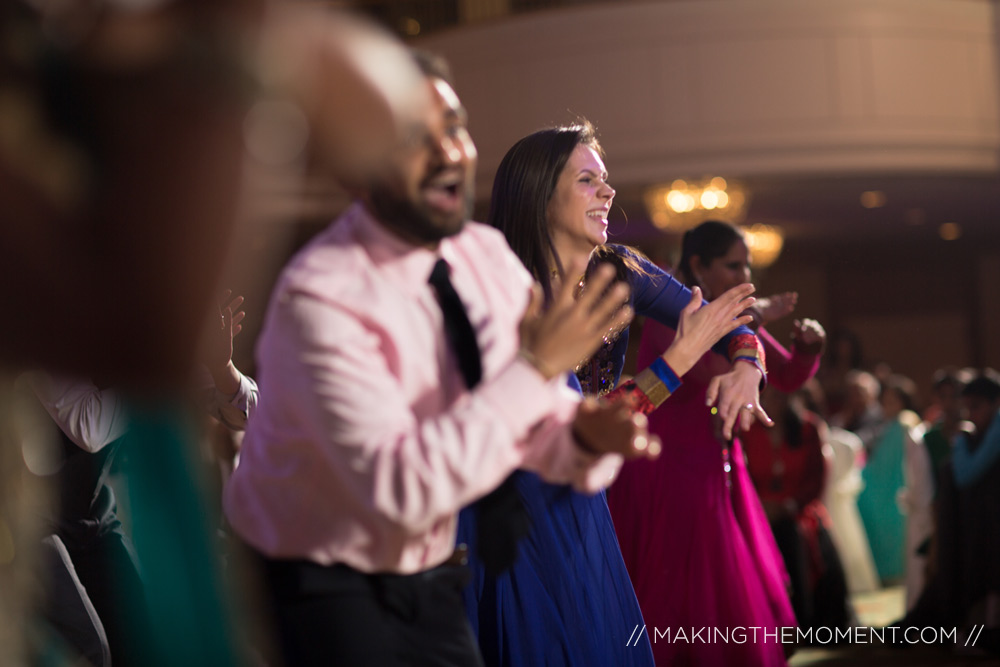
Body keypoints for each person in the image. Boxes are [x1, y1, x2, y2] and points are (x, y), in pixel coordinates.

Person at [222, 52, 659, 667]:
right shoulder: (321, 298)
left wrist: (582, 438)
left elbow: (531, 427)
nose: (448, 151)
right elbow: (400, 486)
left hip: (436, 580)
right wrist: (535, 370)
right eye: (411, 137)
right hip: (333, 594)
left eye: (453, 127)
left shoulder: (484, 257)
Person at [459, 123, 764, 666]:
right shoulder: (501, 294)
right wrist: (677, 363)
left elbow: (733, 320)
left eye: (606, 180)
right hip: (521, 501)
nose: (609, 192)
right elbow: (573, 424)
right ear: (538, 194)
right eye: (587, 180)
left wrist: (747, 366)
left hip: (586, 495)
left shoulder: (619, 268)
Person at [611, 220, 823, 666]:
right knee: (685, 587)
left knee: (725, 588)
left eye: (747, 264)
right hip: (670, 469)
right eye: (733, 265)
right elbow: (698, 367)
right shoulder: (677, 312)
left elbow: (782, 376)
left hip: (717, 465)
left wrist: (807, 348)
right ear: (697, 266)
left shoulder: (732, 319)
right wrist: (754, 319)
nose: (744, 274)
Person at [24, 292, 258, 666]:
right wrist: (170, 370)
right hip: (33, 533)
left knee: (147, 643)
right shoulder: (47, 321)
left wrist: (221, 368)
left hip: (95, 524)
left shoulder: (148, 341)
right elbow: (87, 426)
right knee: (92, 647)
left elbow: (247, 415)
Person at [744, 386, 852, 636]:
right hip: (760, 511)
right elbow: (743, 476)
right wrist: (761, 506)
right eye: (769, 394)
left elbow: (817, 478)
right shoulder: (748, 429)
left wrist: (789, 505)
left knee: (795, 536)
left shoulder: (808, 428)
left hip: (800, 511)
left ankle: (806, 618)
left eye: (781, 393)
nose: (775, 400)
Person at [856, 374, 920, 585]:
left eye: (892, 401)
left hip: (894, 491)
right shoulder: (889, 426)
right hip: (884, 489)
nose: (886, 406)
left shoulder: (902, 426)